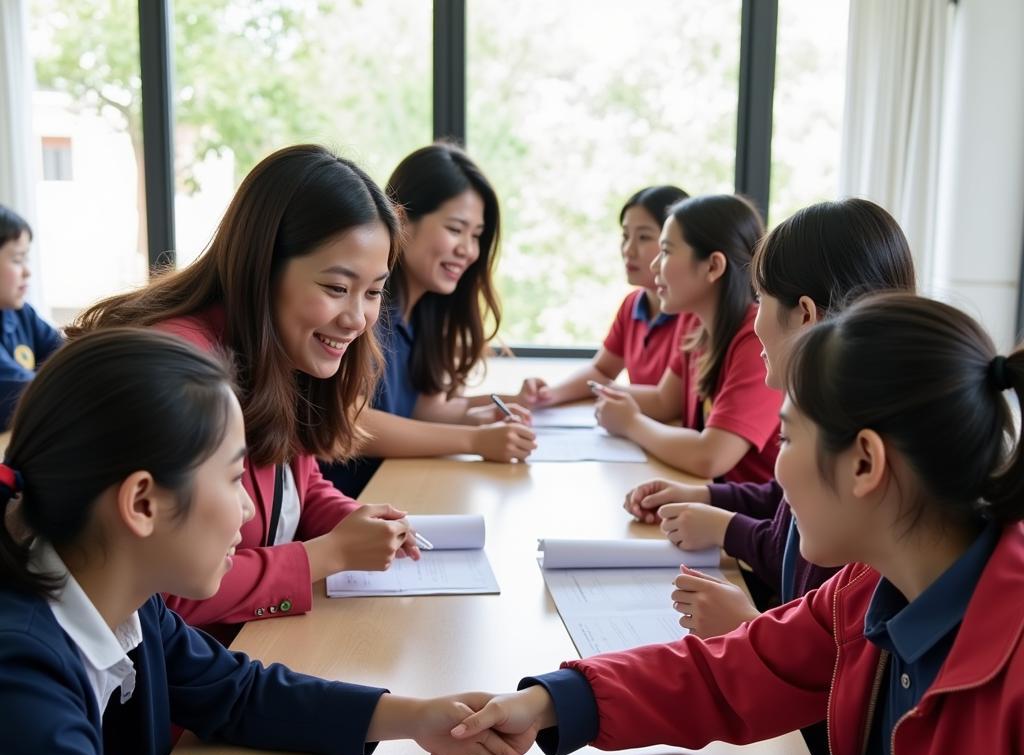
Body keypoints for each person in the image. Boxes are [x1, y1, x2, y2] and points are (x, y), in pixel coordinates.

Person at [450, 294, 1024, 755]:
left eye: (787, 438)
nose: (776, 472)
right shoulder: (872, 588)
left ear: (865, 463)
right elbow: (730, 670)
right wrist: (553, 702)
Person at [0, 330, 526, 755]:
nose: (248, 510)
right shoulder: (19, 666)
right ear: (142, 504)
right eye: (230, 477)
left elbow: (234, 691)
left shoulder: (114, 589)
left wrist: (414, 715)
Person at [69, 145, 415, 634]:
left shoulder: (278, 343)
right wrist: (328, 554)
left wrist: (358, 524)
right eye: (336, 288)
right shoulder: (183, 372)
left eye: (374, 292)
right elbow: (163, 591)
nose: (357, 317)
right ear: (263, 267)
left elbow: (298, 484)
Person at [623, 198, 917, 640]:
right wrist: (708, 496)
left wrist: (751, 627)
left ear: (804, 314)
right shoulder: (850, 420)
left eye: (760, 298)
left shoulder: (857, 458)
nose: (753, 315)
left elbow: (836, 658)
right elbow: (783, 515)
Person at [321, 143, 536, 497]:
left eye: (477, 236)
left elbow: (426, 408)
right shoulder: (365, 307)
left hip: (390, 493)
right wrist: (476, 439)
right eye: (455, 229)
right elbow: (346, 422)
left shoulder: (422, 311)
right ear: (402, 220)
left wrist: (508, 403)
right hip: (345, 503)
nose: (468, 249)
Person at [593, 194, 782, 484]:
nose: (655, 265)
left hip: (754, 519)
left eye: (666, 251)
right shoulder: (699, 331)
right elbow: (663, 401)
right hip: (713, 501)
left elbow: (711, 456)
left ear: (713, 267)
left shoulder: (756, 343)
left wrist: (630, 423)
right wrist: (598, 395)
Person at [513, 185, 692, 406]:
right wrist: (550, 394)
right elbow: (601, 370)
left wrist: (604, 390)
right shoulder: (633, 304)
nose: (628, 249)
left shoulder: (694, 313)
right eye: (625, 236)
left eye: (644, 237)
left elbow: (668, 402)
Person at [0, 204, 62, 429]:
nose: (27, 271)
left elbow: (67, 353)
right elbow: (27, 390)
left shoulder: (20, 314)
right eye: (18, 259)